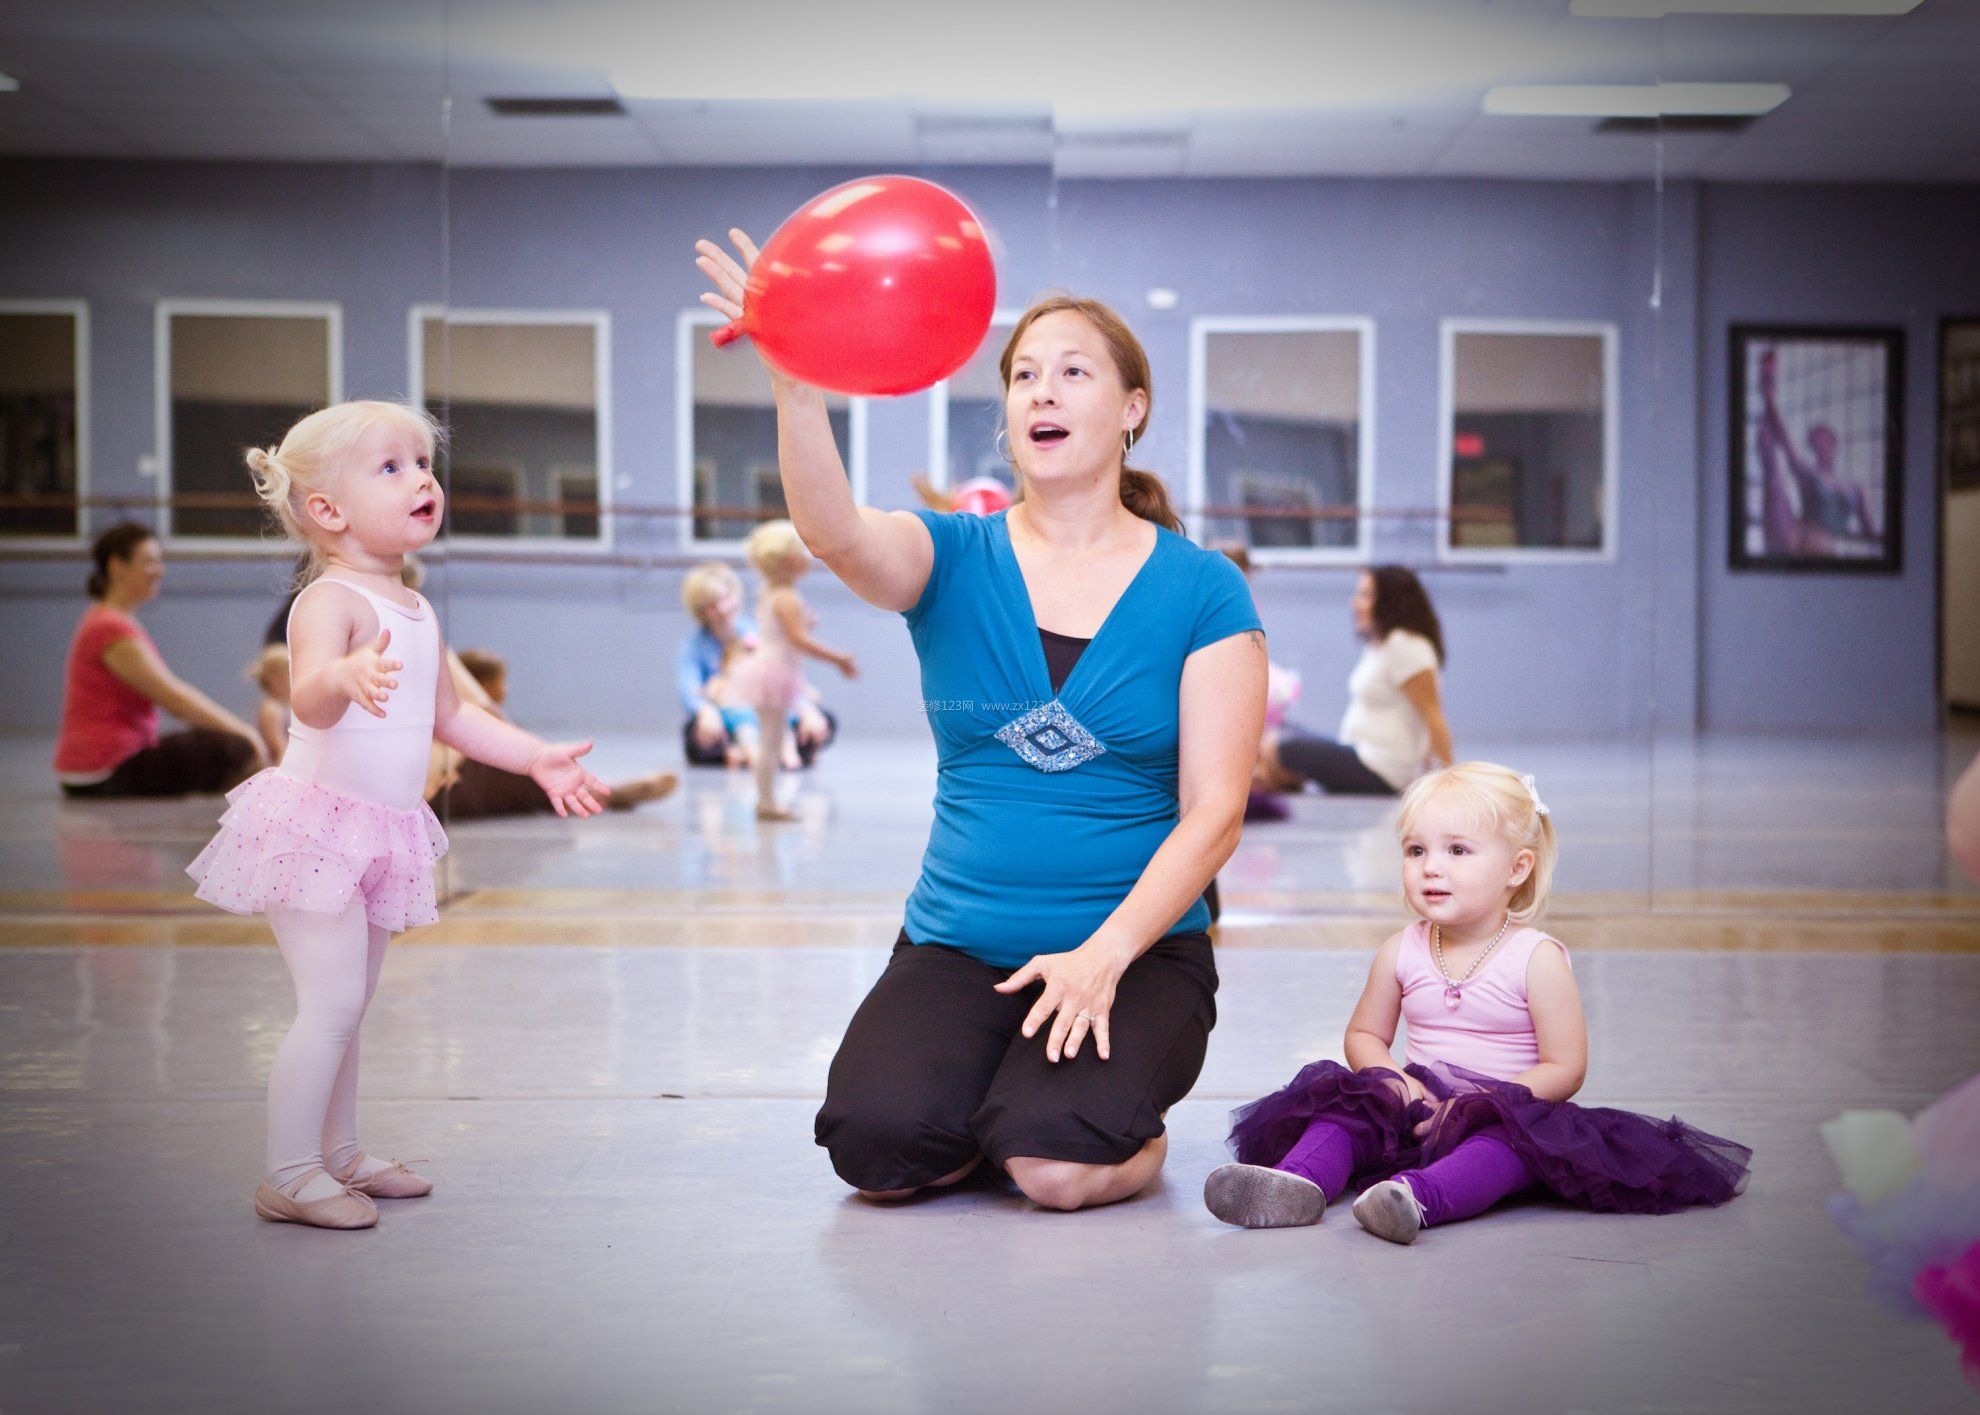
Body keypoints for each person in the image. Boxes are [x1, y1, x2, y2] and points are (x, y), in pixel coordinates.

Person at [699, 230, 1266, 1211]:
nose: (1041, 391)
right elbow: (833, 532)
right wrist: (796, 380)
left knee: (1050, 1167)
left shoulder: (1204, 590)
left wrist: (1106, 952)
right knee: (878, 1149)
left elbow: (1216, 810)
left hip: (1134, 953)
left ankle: (1110, 1129)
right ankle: (1004, 1089)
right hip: (961, 943)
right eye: (1023, 375)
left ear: (1131, 409)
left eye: (1073, 371)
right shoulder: (949, 557)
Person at [185, 399, 612, 1232]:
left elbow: (452, 714)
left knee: (353, 1001)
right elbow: (306, 690)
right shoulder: (330, 603)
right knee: (331, 1001)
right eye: (392, 466)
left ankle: (337, 1154)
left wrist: (532, 756)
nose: (422, 478)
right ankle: (288, 1170)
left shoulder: (415, 607)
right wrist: (339, 678)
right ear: (327, 510)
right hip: (314, 827)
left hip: (379, 828)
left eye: (423, 462)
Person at [1204, 761, 1750, 1241]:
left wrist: (1483, 1104)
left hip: (1506, 1113)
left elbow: (1567, 1066)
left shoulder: (1536, 958)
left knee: (1504, 1151)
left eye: (1457, 851)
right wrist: (1392, 1078)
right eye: (1416, 850)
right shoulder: (1401, 950)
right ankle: (1299, 1182)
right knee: (1347, 1109)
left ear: (1517, 868)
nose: (1431, 867)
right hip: (1417, 1108)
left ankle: (1416, 1199)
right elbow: (1364, 1036)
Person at [54, 523, 267, 797]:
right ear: (117, 566)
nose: (160, 570)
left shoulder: (108, 620)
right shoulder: (109, 628)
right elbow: (174, 698)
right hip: (104, 772)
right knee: (233, 747)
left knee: (223, 743)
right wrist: (245, 733)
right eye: (150, 562)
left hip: (102, 767)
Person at [1262, 565, 1453, 796]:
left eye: (1366, 595)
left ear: (1391, 601)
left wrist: (1449, 785)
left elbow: (1432, 716)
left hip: (1381, 768)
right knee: (1275, 732)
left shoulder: (1406, 645)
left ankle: (1275, 778)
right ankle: (1277, 777)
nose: (1355, 603)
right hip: (1358, 752)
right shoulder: (1381, 644)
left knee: (1280, 747)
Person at [437, 648, 678, 817]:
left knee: (527, 767)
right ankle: (602, 794)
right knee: (523, 773)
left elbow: (461, 714)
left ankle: (598, 792)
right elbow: (485, 712)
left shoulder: (428, 633)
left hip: (446, 769)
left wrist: (531, 751)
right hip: (440, 780)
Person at [723, 519, 857, 820]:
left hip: (765, 671)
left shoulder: (771, 594)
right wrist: (838, 659)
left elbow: (781, 633)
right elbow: (799, 641)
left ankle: (766, 800)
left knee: (772, 738)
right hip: (774, 673)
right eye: (802, 551)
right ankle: (767, 803)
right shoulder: (787, 598)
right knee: (771, 741)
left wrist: (804, 626)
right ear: (788, 561)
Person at [678, 561, 838, 768]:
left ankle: (775, 752)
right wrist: (705, 710)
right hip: (730, 715)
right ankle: (742, 750)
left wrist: (807, 710)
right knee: (697, 737)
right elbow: (690, 689)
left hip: (769, 709)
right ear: (701, 611)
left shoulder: (757, 632)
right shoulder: (694, 647)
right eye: (711, 604)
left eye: (725, 598)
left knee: (821, 723)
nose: (722, 608)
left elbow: (784, 675)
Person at [247, 644, 292, 764]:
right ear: (276, 679)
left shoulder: (286, 707)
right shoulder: (272, 709)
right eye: (289, 673)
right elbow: (279, 748)